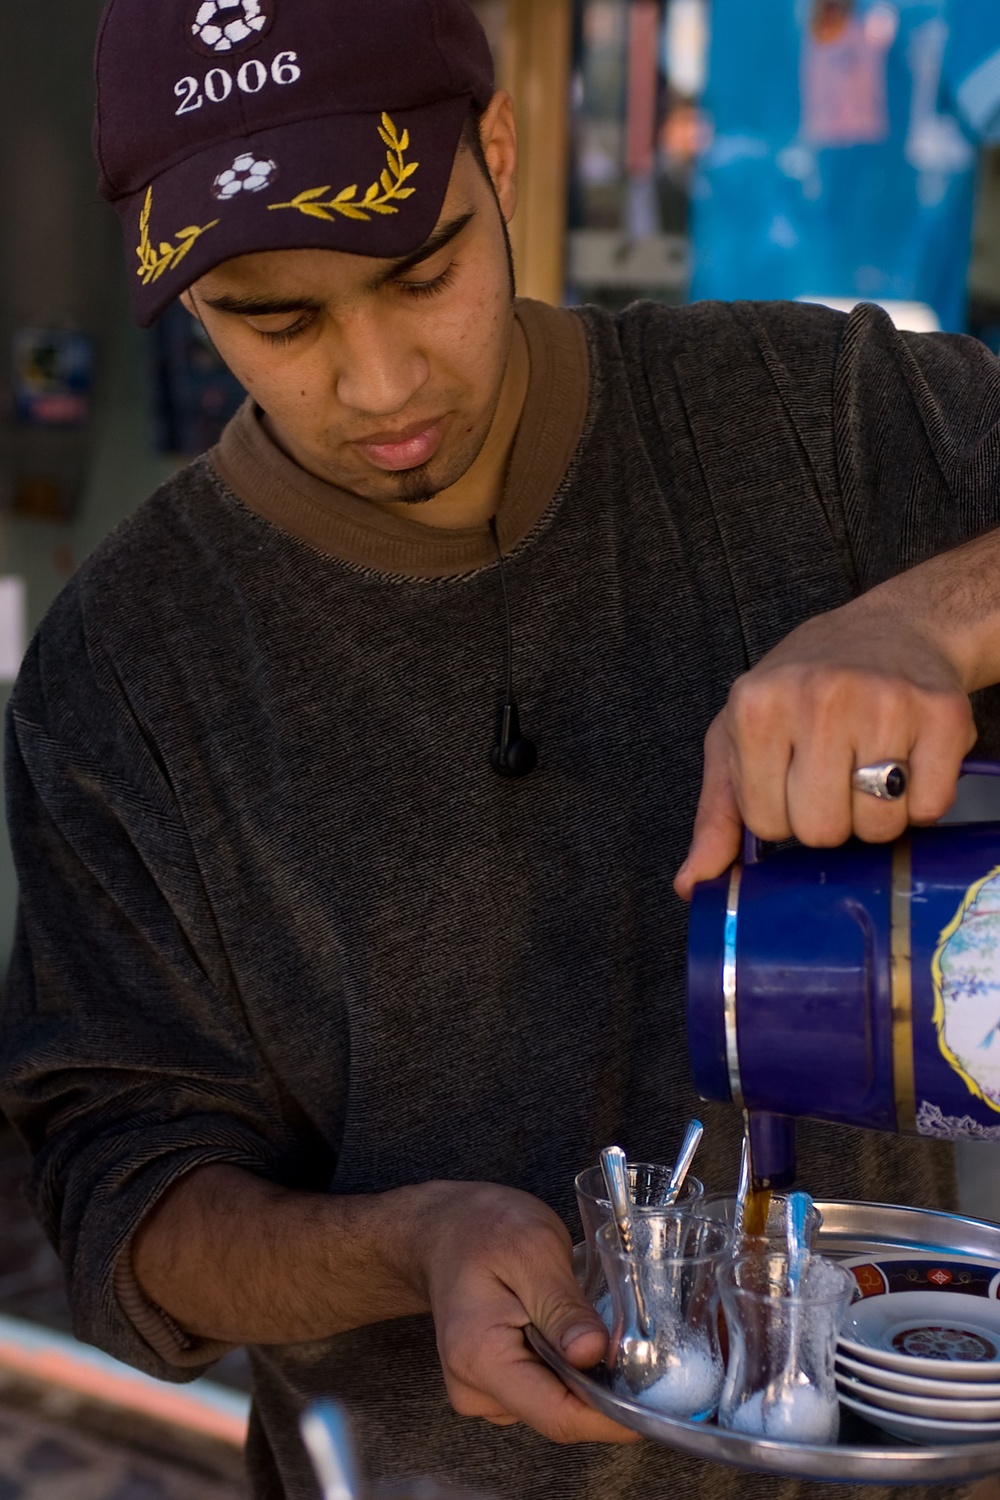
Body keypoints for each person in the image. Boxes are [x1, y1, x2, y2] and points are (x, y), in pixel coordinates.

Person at [2, 1, 1000, 1498]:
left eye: (424, 271)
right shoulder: (122, 675)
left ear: (505, 150)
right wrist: (409, 1244)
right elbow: (127, 1209)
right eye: (277, 322)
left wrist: (939, 618)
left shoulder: (824, 424)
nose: (383, 383)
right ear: (190, 303)